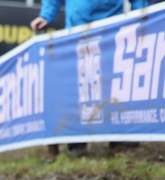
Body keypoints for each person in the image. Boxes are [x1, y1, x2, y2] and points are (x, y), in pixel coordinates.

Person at [30, 0, 149, 157]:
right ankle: (76, 140)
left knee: (115, 84)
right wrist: (46, 15)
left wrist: (140, 15)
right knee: (75, 88)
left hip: (112, 29)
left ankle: (122, 137)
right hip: (76, 32)